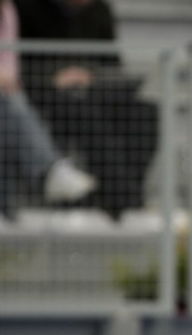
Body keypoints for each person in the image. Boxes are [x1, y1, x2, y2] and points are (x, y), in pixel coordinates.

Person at [14, 0, 157, 220]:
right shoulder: (26, 8)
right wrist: (54, 77)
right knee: (84, 112)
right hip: (44, 94)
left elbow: (113, 65)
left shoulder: (100, 10)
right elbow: (16, 68)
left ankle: (114, 197)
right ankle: (127, 203)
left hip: (93, 90)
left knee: (145, 112)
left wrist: (91, 76)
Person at [0, 0, 95, 220]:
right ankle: (50, 168)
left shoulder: (9, 11)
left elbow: (11, 66)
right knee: (13, 109)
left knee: (9, 114)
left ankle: (4, 209)